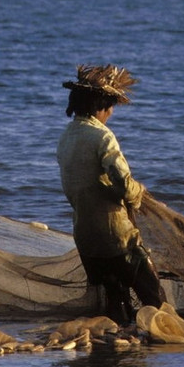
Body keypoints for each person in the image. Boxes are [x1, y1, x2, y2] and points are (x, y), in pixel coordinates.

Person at [57, 64, 165, 324]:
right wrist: (140, 191)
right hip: (115, 235)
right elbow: (123, 183)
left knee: (115, 307)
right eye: (111, 106)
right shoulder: (102, 136)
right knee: (156, 302)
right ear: (100, 106)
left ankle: (111, 361)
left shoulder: (67, 136)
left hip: (85, 236)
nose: (112, 113)